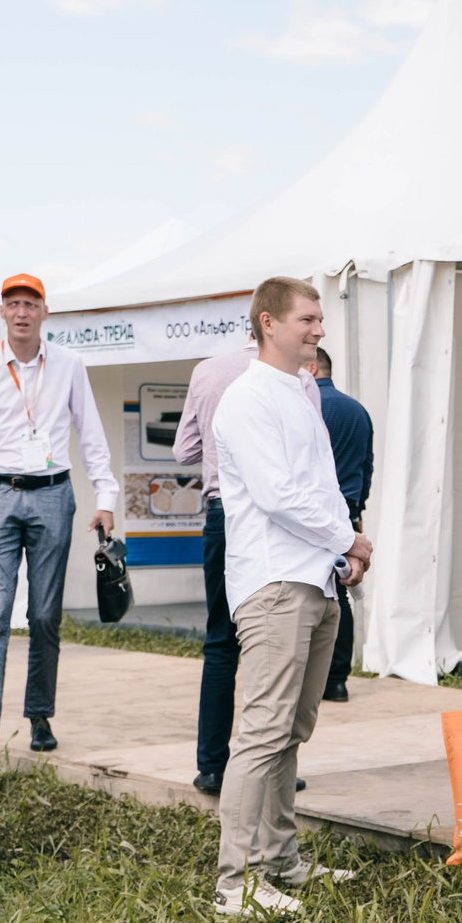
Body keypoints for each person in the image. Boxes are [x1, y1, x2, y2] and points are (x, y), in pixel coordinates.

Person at [211, 276, 370, 918]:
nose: (319, 329)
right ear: (268, 323)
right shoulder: (248, 397)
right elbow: (277, 495)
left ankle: (280, 861)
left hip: (314, 577)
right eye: (307, 319)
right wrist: (349, 538)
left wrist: (341, 555)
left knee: (290, 731)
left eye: (320, 318)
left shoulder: (299, 390)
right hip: (274, 583)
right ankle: (236, 884)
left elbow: (319, 487)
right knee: (263, 733)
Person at [0, 273, 118, 778]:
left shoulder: (68, 364)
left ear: (45, 312)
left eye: (30, 303)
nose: (21, 312)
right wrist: (0, 442)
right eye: (13, 303)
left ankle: (39, 713)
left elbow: (90, 433)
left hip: (52, 495)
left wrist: (106, 497)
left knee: (44, 614)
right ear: (2, 312)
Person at [177, 340, 257, 795]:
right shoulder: (295, 375)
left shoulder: (206, 371)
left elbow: (183, 450)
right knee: (274, 644)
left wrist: (214, 446)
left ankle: (211, 766)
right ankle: (269, 767)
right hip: (270, 519)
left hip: (222, 512)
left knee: (221, 641)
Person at [311, 346, 373, 702]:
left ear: (311, 368)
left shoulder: (307, 406)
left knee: (307, 589)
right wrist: (357, 512)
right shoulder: (357, 410)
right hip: (347, 509)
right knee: (341, 590)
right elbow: (366, 465)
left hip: (313, 511)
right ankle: (337, 679)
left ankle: (313, 677)